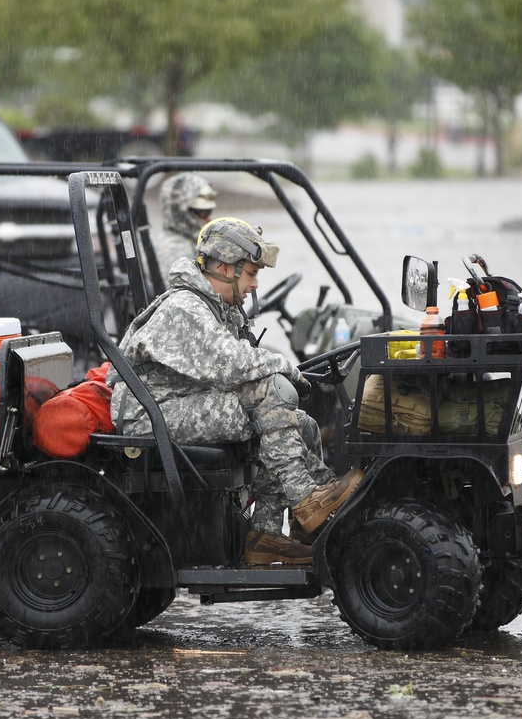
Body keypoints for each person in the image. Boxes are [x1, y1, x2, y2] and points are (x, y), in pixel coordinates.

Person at [110, 217, 364, 565]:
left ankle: (271, 534)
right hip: (150, 413)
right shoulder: (187, 307)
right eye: (251, 274)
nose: (255, 285)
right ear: (224, 267)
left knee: (300, 424)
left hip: (180, 403)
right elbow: (234, 364)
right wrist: (286, 366)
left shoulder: (218, 305)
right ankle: (308, 500)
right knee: (270, 395)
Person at [151, 173, 217, 286]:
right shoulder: (176, 251)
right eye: (203, 212)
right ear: (182, 212)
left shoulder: (187, 241)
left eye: (209, 211)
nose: (209, 218)